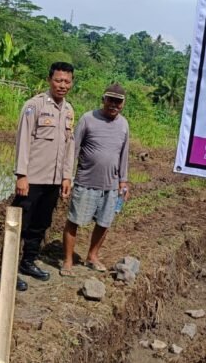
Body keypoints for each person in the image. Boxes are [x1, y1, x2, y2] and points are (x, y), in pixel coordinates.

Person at [12, 62, 76, 292]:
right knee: (20, 224)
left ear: (72, 83)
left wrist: (66, 177)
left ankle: (28, 263)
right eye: (58, 80)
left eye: (67, 81)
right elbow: (23, 141)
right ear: (50, 80)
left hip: (54, 181)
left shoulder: (68, 111)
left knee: (40, 225)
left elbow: (70, 147)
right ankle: (8, 270)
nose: (62, 85)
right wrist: (21, 175)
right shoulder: (34, 105)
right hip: (33, 179)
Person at [60, 83, 130, 277]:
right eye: (111, 100)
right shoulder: (88, 119)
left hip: (111, 184)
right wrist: (67, 176)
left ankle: (92, 255)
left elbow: (124, 154)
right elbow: (72, 150)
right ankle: (67, 261)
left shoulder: (124, 124)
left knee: (104, 222)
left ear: (123, 104)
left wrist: (123, 181)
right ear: (103, 99)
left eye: (118, 101)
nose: (114, 104)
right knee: (74, 220)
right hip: (86, 181)